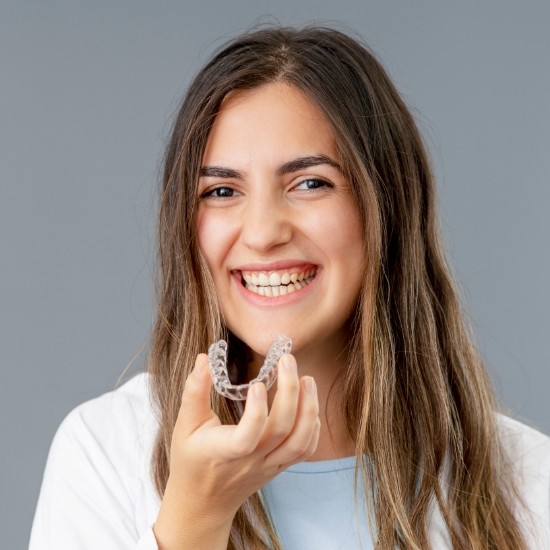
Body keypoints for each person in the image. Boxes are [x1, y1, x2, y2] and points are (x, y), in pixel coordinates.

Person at [30, 26, 550, 550]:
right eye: (222, 190)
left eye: (310, 183)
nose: (261, 233)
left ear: (387, 208)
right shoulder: (102, 453)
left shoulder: (533, 484)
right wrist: (193, 520)